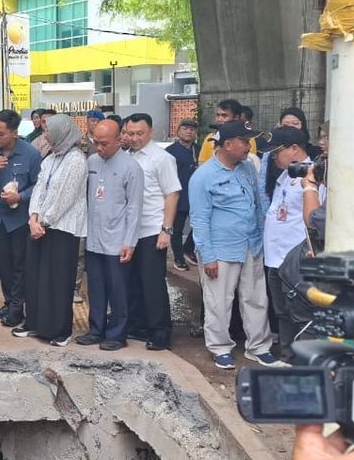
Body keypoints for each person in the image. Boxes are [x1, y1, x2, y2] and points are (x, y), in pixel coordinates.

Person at [189, 120, 284, 369]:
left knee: (256, 298)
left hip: (251, 244)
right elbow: (199, 219)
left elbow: (258, 204)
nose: (249, 146)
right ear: (228, 144)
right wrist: (207, 256)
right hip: (220, 249)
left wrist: (264, 238)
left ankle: (259, 347)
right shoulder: (203, 177)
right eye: (244, 140)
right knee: (219, 301)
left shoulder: (247, 168)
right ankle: (220, 347)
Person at [15, 114, 88, 347]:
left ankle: (60, 330)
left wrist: (43, 221)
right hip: (39, 226)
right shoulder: (51, 158)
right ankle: (34, 322)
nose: (45, 133)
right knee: (35, 276)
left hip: (62, 229)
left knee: (58, 280)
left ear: (62, 132)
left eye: (48, 130)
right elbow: (39, 190)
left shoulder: (76, 160)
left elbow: (64, 198)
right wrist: (33, 218)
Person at [74, 119, 143, 350]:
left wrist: (129, 242)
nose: (99, 148)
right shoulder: (92, 161)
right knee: (96, 287)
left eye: (104, 143)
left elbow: (134, 208)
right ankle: (96, 330)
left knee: (118, 290)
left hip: (118, 240)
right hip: (94, 237)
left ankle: (117, 334)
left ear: (119, 140)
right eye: (96, 143)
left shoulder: (131, 168)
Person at [122, 114, 182, 351]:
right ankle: (137, 325)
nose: (134, 138)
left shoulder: (161, 158)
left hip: (152, 228)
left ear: (151, 132)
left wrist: (166, 230)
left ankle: (160, 331)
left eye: (139, 133)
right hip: (129, 231)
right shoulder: (126, 157)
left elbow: (172, 194)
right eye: (130, 133)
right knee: (133, 281)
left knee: (153, 283)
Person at [0, 109, 41, 328]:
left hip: (19, 220)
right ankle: (9, 301)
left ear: (14, 133)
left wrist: (20, 196)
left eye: (1, 133)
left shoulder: (30, 154)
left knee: (19, 264)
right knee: (3, 264)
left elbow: (38, 186)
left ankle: (16, 308)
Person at [261, 127, 322, 354]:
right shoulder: (287, 173)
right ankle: (286, 355)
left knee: (300, 313)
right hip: (275, 257)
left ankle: (300, 359)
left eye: (278, 151)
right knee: (281, 312)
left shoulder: (314, 175)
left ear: (295, 148)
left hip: (296, 258)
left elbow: (315, 217)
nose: (274, 157)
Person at [166, 118, 201, 270]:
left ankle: (188, 249)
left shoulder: (199, 149)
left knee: (199, 225)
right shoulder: (170, 152)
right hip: (178, 196)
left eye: (192, 129)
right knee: (177, 230)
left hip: (197, 196)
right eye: (185, 128)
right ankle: (179, 258)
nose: (189, 131)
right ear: (178, 131)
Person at [199, 99, 258, 164]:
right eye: (218, 115)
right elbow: (202, 162)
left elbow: (250, 161)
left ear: (236, 117)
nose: (219, 119)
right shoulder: (210, 137)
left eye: (224, 116)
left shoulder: (248, 138)